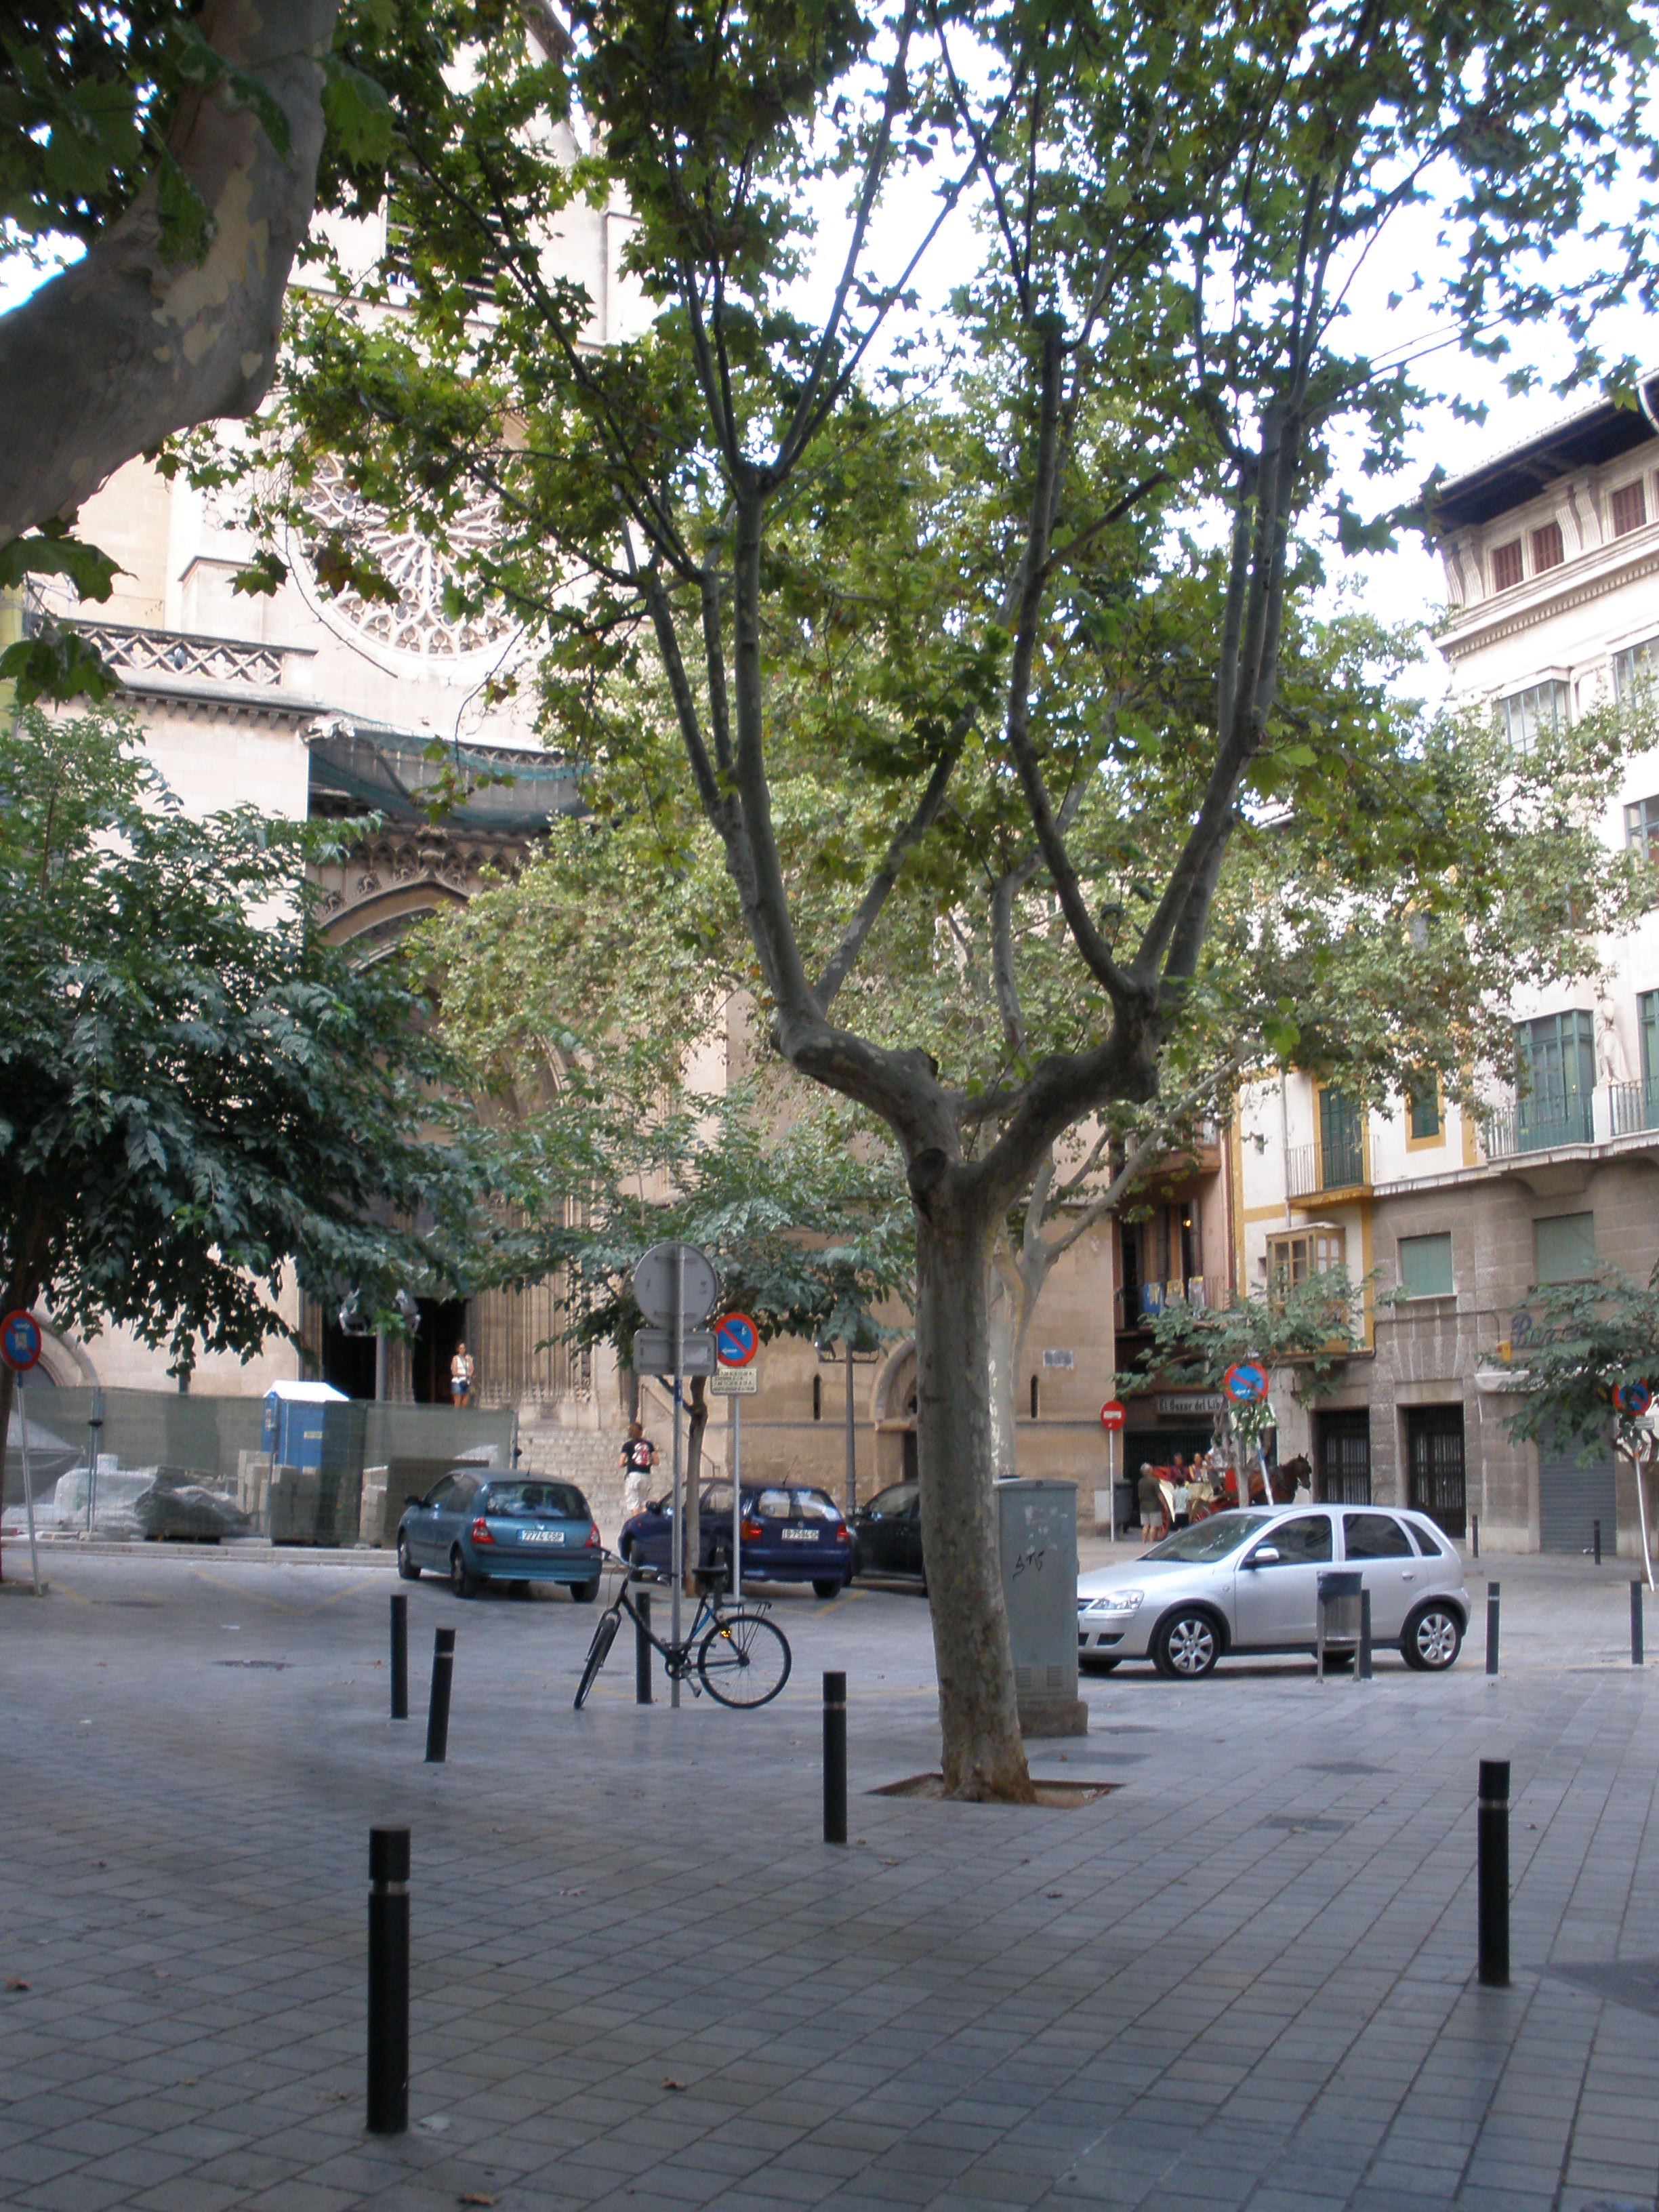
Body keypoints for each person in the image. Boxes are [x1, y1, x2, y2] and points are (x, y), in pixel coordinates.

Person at [620, 1420, 657, 1519]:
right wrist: (648, 1461)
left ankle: (637, 1525)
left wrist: (628, 1463)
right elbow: (657, 1461)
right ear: (641, 1432)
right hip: (646, 1475)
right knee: (644, 1503)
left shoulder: (627, 1445)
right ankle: (645, 1522)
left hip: (633, 1476)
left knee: (634, 1505)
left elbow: (621, 1463)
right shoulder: (649, 1445)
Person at [1136, 1460, 1166, 1542]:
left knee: (1145, 1526)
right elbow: (1159, 1494)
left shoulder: (1140, 1482)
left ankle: (1144, 1541)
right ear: (1149, 1471)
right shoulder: (1154, 1481)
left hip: (1143, 1506)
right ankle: (1151, 1541)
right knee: (1153, 1526)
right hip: (1154, 1506)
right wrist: (1165, 1504)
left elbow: (1140, 1495)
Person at [449, 1340, 475, 1409]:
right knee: (457, 1402)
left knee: (465, 1404)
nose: (463, 1350)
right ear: (458, 1349)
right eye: (461, 1348)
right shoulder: (455, 1358)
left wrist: (470, 1361)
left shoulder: (468, 1358)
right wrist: (465, 1375)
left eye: (464, 1348)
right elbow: (454, 1372)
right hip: (458, 1382)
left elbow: (472, 1370)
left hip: (466, 1382)